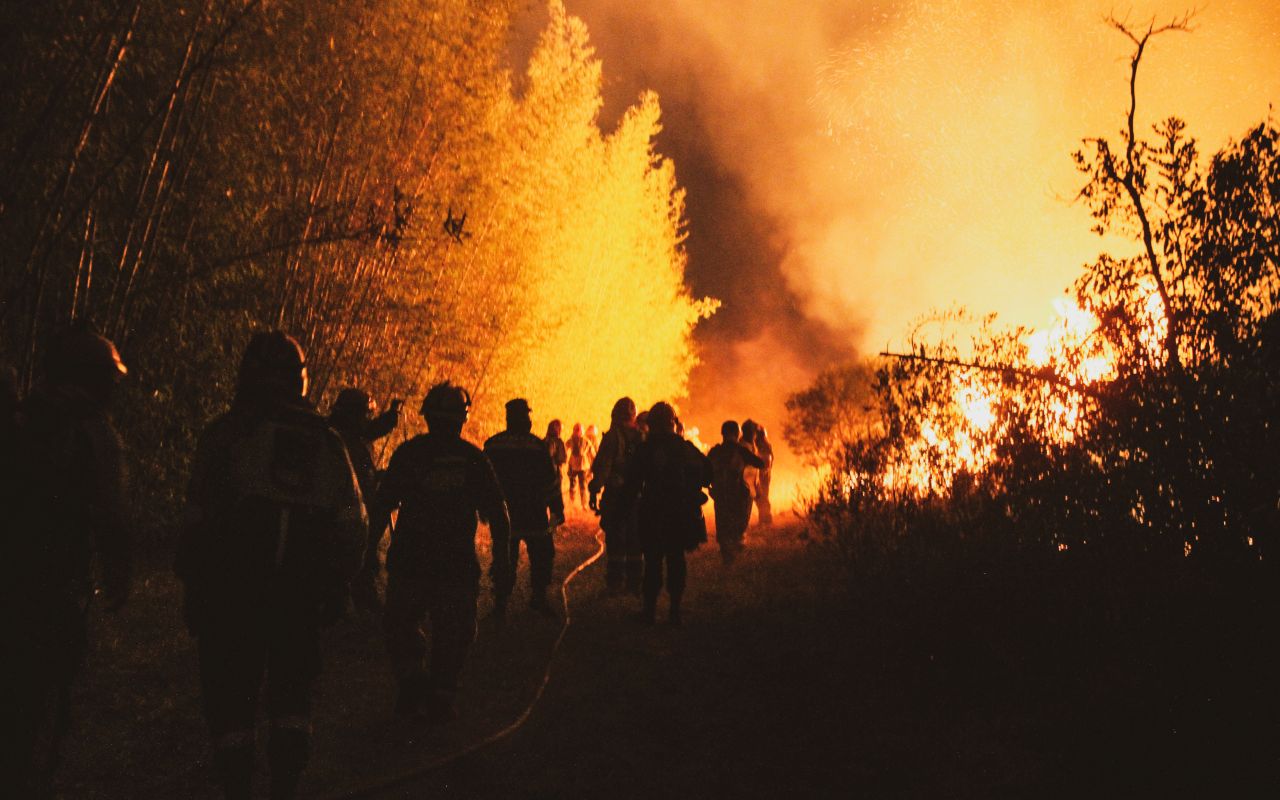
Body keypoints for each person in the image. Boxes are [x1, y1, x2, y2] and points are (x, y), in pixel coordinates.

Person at [177, 331, 366, 800]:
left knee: (230, 693)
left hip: (231, 589)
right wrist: (340, 583)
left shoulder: (225, 435)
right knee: (293, 692)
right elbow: (352, 522)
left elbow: (196, 515)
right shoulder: (327, 442)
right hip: (300, 592)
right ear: (301, 379)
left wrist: (193, 580)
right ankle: (285, 783)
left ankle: (237, 784)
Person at [2, 326, 132, 798]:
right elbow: (111, 512)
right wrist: (118, 572)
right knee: (39, 700)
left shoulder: (20, 416)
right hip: (54, 587)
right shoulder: (92, 430)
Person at [380, 382, 511, 722]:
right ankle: (442, 694)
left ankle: (412, 678)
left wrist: (366, 554)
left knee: (400, 622)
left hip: (410, 559)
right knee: (455, 630)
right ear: (462, 419)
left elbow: (381, 506)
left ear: (428, 417)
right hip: (455, 564)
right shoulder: (472, 459)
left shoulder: (409, 454)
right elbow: (498, 513)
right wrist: (503, 558)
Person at [619, 402, 711, 625]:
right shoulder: (684, 448)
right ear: (673, 423)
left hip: (652, 512)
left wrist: (621, 511)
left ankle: (649, 613)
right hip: (678, 513)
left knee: (652, 561)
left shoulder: (644, 450)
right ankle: (674, 613)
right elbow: (708, 473)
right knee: (676, 560)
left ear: (650, 425)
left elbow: (631, 484)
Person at [486, 399, 566, 617]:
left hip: (504, 512)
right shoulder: (537, 446)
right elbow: (550, 482)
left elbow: (485, 482)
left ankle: (500, 603)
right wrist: (557, 508)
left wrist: (484, 508)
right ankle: (538, 598)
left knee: (503, 556)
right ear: (525, 419)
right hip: (533, 512)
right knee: (541, 555)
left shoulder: (493, 445)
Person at [328, 388, 402, 610]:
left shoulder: (344, 433)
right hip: (347, 509)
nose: (366, 419)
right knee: (360, 553)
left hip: (352, 506)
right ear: (354, 414)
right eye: (364, 414)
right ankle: (356, 599)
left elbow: (373, 429)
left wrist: (393, 414)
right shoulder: (339, 439)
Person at [589, 397, 643, 594]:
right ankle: (635, 582)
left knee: (616, 539)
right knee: (635, 539)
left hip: (616, 497)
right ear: (633, 416)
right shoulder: (642, 437)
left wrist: (594, 489)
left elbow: (603, 467)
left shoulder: (612, 437)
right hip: (637, 497)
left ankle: (615, 582)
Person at [707, 420, 766, 565]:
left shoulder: (715, 451)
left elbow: (705, 470)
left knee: (722, 523)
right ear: (737, 433)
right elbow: (760, 463)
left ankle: (727, 554)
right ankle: (734, 547)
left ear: (723, 434)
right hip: (738, 494)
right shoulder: (741, 450)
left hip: (720, 494)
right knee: (737, 524)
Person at [565, 422, 596, 510]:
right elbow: (565, 449)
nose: (579, 432)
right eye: (577, 430)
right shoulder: (572, 440)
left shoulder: (586, 441)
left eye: (579, 430)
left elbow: (592, 453)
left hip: (583, 466)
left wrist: (594, 463)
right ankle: (572, 502)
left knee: (583, 486)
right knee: (573, 485)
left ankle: (583, 504)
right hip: (574, 465)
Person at [740, 419, 762, 523]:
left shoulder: (751, 446)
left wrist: (757, 486)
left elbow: (754, 470)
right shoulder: (743, 447)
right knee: (742, 519)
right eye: (754, 433)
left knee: (744, 519)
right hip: (743, 489)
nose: (756, 436)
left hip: (750, 488)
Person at [754, 422, 776, 525]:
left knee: (761, 496)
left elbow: (766, 459)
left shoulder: (761, 446)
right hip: (765, 473)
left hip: (762, 474)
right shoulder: (767, 445)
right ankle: (764, 519)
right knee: (762, 496)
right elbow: (772, 459)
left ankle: (765, 519)